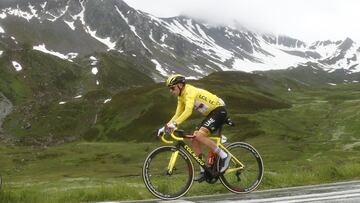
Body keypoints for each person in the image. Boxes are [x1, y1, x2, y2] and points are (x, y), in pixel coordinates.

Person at [158, 74, 231, 181]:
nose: (171, 91)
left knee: (200, 135)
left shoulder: (189, 91)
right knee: (194, 139)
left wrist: (174, 125)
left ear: (180, 85)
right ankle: (204, 171)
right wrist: (165, 127)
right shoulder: (181, 97)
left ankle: (224, 156)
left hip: (219, 110)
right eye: (169, 89)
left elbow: (188, 111)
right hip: (210, 114)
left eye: (172, 88)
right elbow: (177, 115)